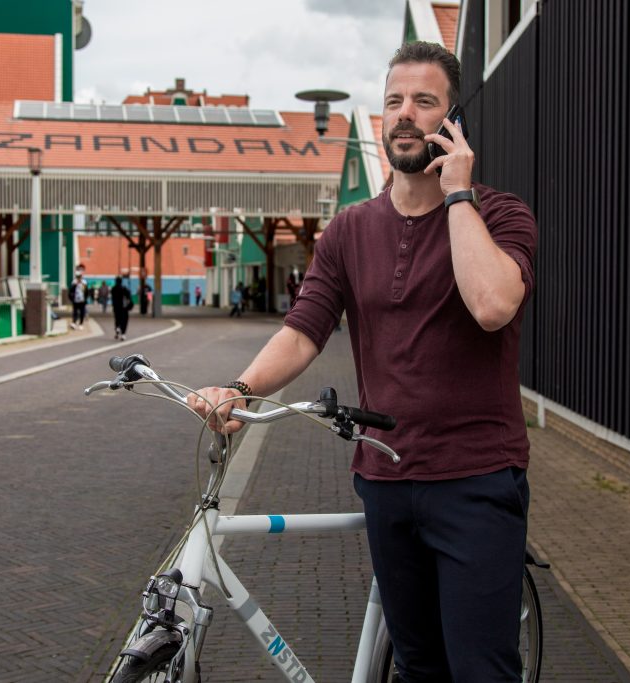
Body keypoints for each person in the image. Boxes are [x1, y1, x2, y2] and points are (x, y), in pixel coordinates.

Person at [188, 41, 537, 682]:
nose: (405, 113)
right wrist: (239, 387)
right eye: (393, 101)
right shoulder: (349, 230)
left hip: (476, 479)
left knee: (481, 670)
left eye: (424, 101)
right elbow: (303, 332)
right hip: (385, 479)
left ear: (455, 121)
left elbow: (492, 306)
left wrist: (459, 196)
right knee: (416, 667)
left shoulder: (501, 214)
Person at [110, 276, 132, 340]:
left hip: (116, 307)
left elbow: (113, 298)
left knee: (117, 319)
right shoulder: (124, 289)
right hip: (124, 307)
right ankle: (123, 334)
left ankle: (117, 328)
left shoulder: (113, 289)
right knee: (124, 320)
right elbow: (129, 297)